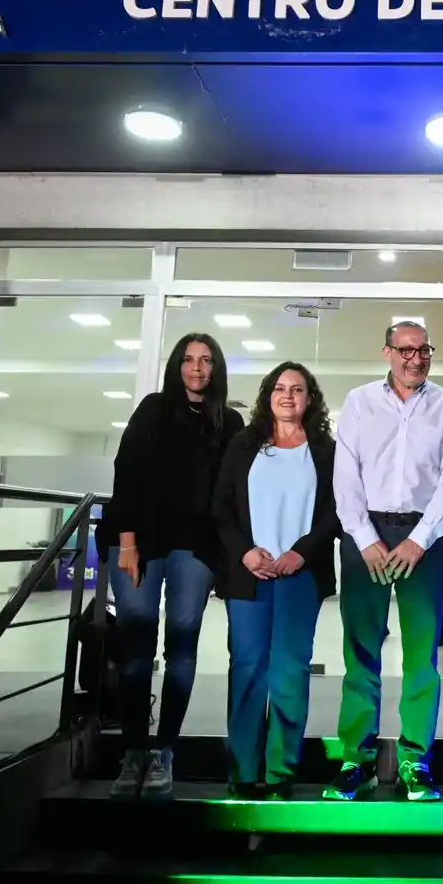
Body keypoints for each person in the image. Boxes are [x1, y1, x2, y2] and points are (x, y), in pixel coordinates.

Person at [98, 333, 243, 800]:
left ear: (216, 368)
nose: (197, 368)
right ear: (177, 366)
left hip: (195, 548)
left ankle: (164, 751)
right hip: (140, 540)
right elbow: (127, 474)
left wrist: (226, 558)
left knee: (183, 646)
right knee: (137, 646)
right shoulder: (153, 410)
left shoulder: (230, 421)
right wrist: (126, 543)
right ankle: (134, 750)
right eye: (189, 360)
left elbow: (231, 494)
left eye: (206, 361)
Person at [329, 321, 443, 802]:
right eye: (406, 350)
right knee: (360, 651)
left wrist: (419, 540)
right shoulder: (360, 402)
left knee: (422, 656)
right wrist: (366, 538)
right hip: (364, 535)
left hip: (423, 541)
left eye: (423, 349)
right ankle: (357, 760)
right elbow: (345, 477)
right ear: (387, 352)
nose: (416, 358)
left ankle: (414, 761)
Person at [213, 362, 340, 798]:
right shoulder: (243, 446)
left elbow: (336, 513)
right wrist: (246, 552)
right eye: (281, 388)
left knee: (290, 672)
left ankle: (281, 772)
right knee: (247, 669)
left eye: (298, 389)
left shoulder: (326, 450)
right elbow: (221, 508)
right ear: (268, 395)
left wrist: (300, 553)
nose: (289, 396)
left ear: (310, 399)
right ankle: (244, 772)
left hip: (298, 577)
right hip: (247, 575)